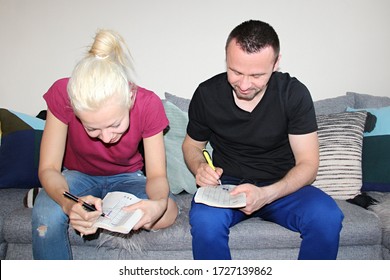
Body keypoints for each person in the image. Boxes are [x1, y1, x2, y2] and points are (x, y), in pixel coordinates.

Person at [182, 20, 344, 260]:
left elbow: (308, 165)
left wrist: (267, 194)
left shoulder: (293, 94)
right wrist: (200, 167)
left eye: (257, 75)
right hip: (227, 187)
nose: (245, 85)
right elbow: (192, 146)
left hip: (282, 186)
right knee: (205, 222)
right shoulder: (207, 94)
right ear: (226, 58)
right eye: (236, 72)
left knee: (327, 217)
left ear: (276, 64)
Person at [32, 29, 178, 259]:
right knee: (46, 213)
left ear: (129, 99)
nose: (107, 137)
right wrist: (69, 205)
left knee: (168, 213)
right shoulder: (62, 94)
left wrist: (158, 204)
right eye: (92, 129)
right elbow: (49, 168)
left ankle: (59, 196)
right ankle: (53, 195)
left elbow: (157, 176)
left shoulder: (148, 103)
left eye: (115, 124)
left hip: (128, 177)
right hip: (78, 175)